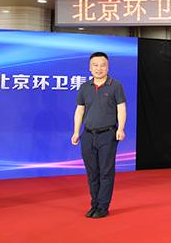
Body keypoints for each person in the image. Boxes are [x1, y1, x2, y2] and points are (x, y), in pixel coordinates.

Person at [70, 52, 127, 219]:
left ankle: (103, 206)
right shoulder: (84, 87)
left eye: (102, 65)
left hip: (108, 135)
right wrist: (76, 132)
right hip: (87, 135)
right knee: (92, 172)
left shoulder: (115, 85)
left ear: (108, 67)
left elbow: (121, 109)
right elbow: (79, 111)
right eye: (95, 65)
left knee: (105, 172)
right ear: (90, 68)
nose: (99, 68)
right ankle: (94, 204)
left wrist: (121, 129)